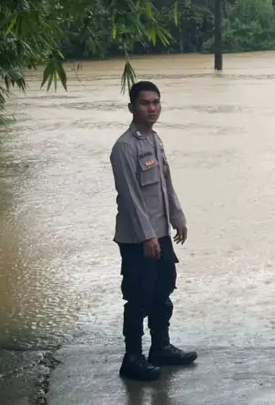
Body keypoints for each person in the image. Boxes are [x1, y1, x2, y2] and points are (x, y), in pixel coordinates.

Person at [110, 80, 198, 382]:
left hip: (159, 233)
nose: (152, 108)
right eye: (145, 103)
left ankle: (160, 347)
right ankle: (132, 358)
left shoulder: (156, 140)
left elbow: (165, 184)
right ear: (132, 107)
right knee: (138, 297)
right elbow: (131, 197)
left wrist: (178, 217)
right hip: (137, 239)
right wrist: (148, 236)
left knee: (163, 291)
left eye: (156, 102)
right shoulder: (124, 147)